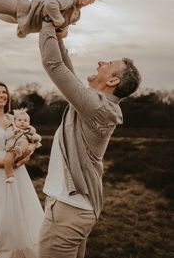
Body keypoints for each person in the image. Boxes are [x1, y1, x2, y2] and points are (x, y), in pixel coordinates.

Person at [38, 23, 141, 258]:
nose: (101, 62)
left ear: (113, 81)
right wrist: (59, 36)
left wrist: (46, 20)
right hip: (76, 209)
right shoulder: (96, 104)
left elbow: (52, 65)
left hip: (68, 211)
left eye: (108, 65)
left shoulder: (96, 107)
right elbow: (66, 68)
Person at [0, 81, 44, 258]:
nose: (1, 95)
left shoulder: (14, 119)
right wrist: (10, 164)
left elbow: (28, 139)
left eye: (4, 92)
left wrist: (27, 152)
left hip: (19, 175)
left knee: (25, 216)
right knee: (4, 223)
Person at [4, 108, 42, 183]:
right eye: (19, 120)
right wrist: (13, 133)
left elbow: (38, 137)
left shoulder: (29, 130)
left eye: (25, 121)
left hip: (23, 148)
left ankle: (20, 151)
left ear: (29, 123)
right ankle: (10, 175)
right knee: (7, 160)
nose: (22, 122)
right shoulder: (11, 128)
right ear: (14, 121)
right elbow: (6, 136)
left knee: (24, 141)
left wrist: (34, 138)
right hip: (12, 149)